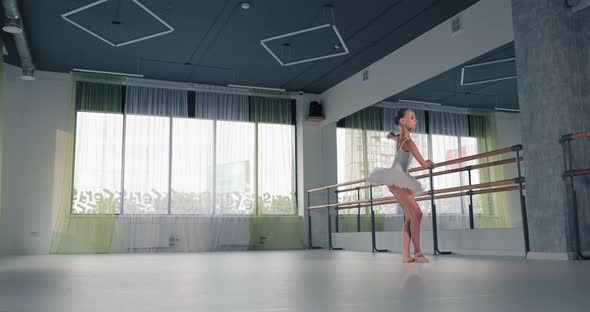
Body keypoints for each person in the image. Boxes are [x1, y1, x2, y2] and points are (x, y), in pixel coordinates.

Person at [367, 108, 435, 263]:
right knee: (417, 214)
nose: (415, 120)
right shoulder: (409, 143)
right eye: (412, 117)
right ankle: (417, 253)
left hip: (394, 180)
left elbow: (393, 136)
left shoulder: (399, 140)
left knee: (411, 217)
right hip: (398, 180)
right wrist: (430, 162)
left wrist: (390, 135)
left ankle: (406, 255)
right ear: (403, 121)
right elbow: (424, 164)